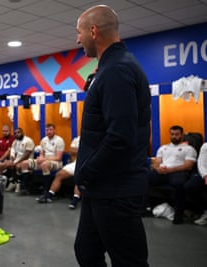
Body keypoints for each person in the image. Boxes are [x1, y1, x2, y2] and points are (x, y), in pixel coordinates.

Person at [73, 5, 151, 267]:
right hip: (101, 188)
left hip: (116, 190)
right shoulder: (108, 69)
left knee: (129, 261)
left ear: (93, 31)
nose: (77, 39)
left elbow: (121, 137)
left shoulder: (117, 70)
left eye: (79, 32)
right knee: (86, 250)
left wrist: (85, 172)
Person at [148, 125, 197, 224]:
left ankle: (178, 215)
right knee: (144, 177)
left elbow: (188, 166)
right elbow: (156, 163)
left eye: (177, 134)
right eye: (172, 134)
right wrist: (158, 168)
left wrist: (170, 170)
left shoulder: (189, 149)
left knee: (179, 183)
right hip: (163, 172)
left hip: (178, 172)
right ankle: (146, 208)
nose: (174, 136)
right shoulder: (163, 148)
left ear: (181, 135)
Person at [36, 136, 82, 209]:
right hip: (75, 162)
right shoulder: (77, 139)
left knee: (79, 176)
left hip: (86, 163)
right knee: (59, 174)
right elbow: (70, 151)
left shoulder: (93, 138)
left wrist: (77, 151)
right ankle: (49, 196)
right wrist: (79, 151)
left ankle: (75, 199)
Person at [19, 123, 65, 196]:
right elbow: (42, 153)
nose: (49, 132)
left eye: (50, 130)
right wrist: (40, 158)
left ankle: (46, 191)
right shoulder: (44, 140)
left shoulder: (59, 140)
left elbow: (58, 158)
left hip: (56, 163)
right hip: (44, 161)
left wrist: (44, 159)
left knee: (44, 164)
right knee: (24, 163)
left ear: (54, 130)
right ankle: (25, 188)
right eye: (47, 130)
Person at [0, 128, 35, 194]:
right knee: (5, 164)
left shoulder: (28, 140)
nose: (17, 134)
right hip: (17, 160)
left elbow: (26, 155)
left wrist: (16, 162)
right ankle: (14, 182)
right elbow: (12, 151)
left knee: (18, 166)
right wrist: (12, 158)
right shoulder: (15, 141)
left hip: (27, 160)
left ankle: (20, 184)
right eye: (15, 133)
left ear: (22, 132)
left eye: (18, 133)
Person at [188, 142, 207, 225]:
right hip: (205, 174)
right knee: (191, 186)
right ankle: (203, 211)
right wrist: (205, 176)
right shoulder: (205, 146)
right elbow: (201, 163)